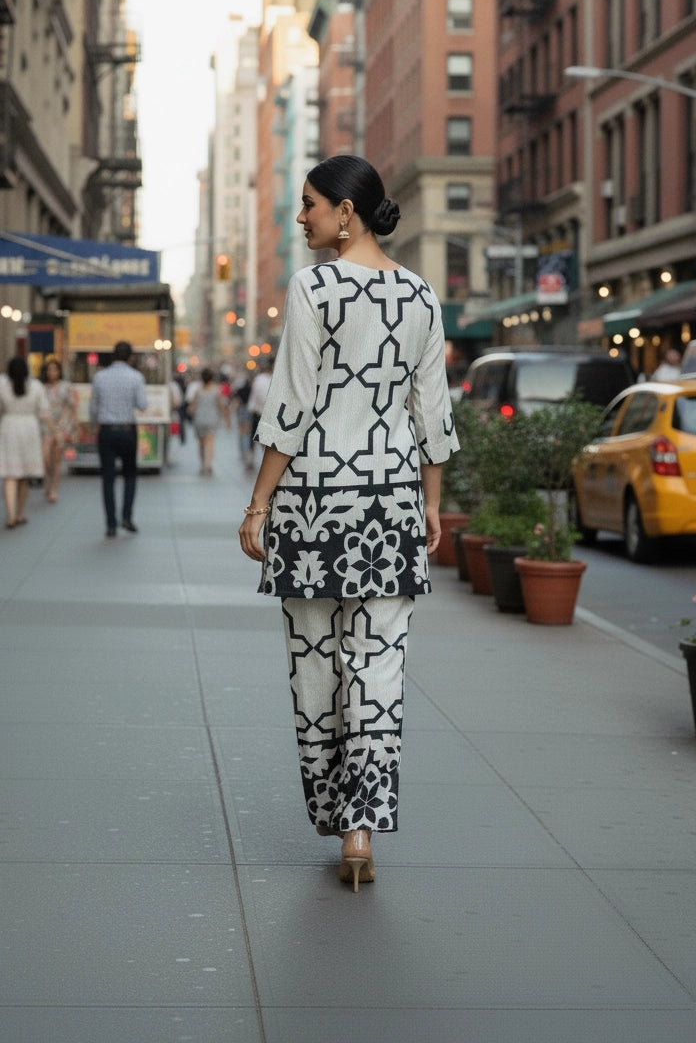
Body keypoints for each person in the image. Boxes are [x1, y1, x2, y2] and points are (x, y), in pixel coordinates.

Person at [238, 154, 459, 893]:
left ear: (345, 211)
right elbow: (434, 414)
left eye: (307, 205)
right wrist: (431, 503)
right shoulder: (422, 296)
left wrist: (259, 502)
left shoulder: (314, 287)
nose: (299, 217)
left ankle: (335, 809)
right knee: (380, 670)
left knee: (314, 666)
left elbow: (292, 402)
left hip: (313, 504)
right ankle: (361, 832)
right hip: (390, 504)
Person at [89, 340, 148, 537]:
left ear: (113, 355)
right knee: (130, 474)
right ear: (130, 356)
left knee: (108, 478)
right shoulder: (136, 377)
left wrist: (92, 426)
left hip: (106, 431)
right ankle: (127, 517)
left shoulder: (99, 376)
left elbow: (93, 408)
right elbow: (142, 404)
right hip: (127, 430)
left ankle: (111, 523)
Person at [0, 356, 48, 529]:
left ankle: (10, 515)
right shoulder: (36, 386)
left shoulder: (1, 384)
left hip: (8, 427)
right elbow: (43, 411)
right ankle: (20, 513)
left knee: (10, 474)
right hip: (29, 428)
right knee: (23, 476)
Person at [40, 357, 77, 503]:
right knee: (45, 457)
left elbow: (72, 406)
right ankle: (47, 481)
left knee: (56, 458)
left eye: (55, 369)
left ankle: (53, 488)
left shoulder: (65, 387)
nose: (52, 372)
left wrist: (74, 425)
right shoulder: (41, 387)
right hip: (44, 426)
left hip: (62, 425)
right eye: (49, 369)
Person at [187, 367, 227, 475]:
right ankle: (208, 464)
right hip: (212, 419)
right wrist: (226, 419)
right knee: (210, 442)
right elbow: (221, 406)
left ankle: (202, 464)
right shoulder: (216, 391)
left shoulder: (198, 391)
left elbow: (191, 407)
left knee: (201, 443)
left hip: (199, 419)